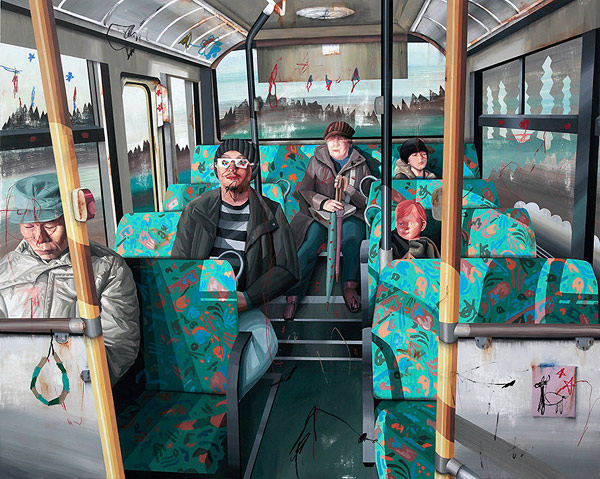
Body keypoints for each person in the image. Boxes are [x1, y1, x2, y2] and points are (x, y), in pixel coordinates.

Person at [0, 173, 140, 384]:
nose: (39, 238)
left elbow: (118, 345)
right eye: (29, 227)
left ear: (72, 221)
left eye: (50, 226)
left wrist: (78, 383)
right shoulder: (5, 270)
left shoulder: (106, 268)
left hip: (78, 386)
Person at [171, 138, 299, 312]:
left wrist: (249, 298)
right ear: (216, 169)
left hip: (249, 304)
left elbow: (288, 268)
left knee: (258, 330)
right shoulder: (195, 211)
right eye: (225, 162)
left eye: (241, 162)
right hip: (199, 304)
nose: (231, 168)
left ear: (252, 170)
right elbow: (178, 265)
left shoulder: (272, 212)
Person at [284, 121, 372, 320]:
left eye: (340, 139)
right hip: (319, 215)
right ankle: (293, 296)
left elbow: (365, 200)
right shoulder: (316, 161)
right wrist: (324, 203)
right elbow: (305, 191)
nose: (335, 144)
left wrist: (349, 189)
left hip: (350, 214)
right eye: (331, 140)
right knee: (310, 243)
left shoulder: (360, 164)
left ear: (349, 142)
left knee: (352, 240)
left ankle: (349, 286)